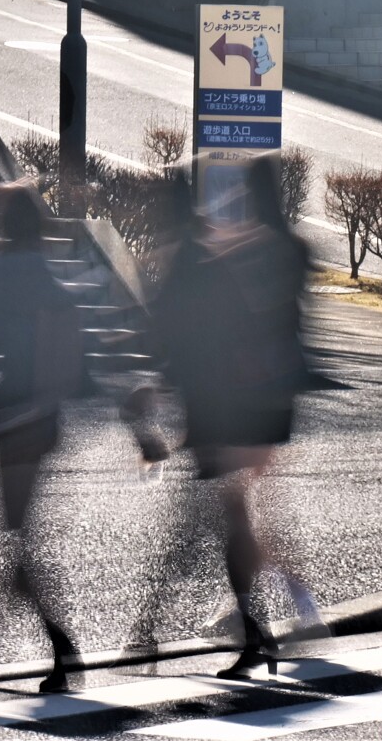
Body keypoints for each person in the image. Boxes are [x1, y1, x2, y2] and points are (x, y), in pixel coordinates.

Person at [154, 157, 319, 679]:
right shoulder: (290, 248)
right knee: (245, 509)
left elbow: (224, 320)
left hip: (246, 395)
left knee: (238, 513)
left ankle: (278, 614)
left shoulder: (248, 251)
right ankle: (273, 613)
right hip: (276, 393)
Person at [0, 184, 84, 693]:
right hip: (44, 420)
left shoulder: (5, 276)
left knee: (18, 540)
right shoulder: (48, 275)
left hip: (14, 423)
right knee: (15, 536)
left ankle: (60, 645)